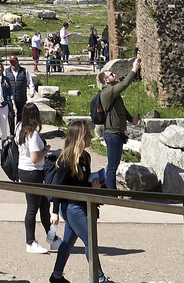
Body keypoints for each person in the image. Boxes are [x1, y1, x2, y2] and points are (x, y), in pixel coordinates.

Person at [47, 120, 111, 283]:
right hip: (70, 206)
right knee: (90, 239)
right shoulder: (65, 159)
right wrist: (54, 212)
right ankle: (100, 279)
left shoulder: (85, 157)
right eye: (88, 134)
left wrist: (95, 185)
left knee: (68, 242)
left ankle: (56, 276)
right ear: (80, 137)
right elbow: (58, 187)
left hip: (80, 204)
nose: (90, 137)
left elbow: (82, 183)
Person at [95, 57, 140, 193]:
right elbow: (125, 84)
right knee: (113, 166)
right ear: (106, 80)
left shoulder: (113, 94)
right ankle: (111, 193)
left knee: (114, 164)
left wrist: (131, 119)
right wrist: (134, 69)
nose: (115, 75)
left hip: (117, 134)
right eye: (112, 74)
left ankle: (110, 190)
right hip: (112, 134)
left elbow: (121, 110)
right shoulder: (108, 92)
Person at [16, 103, 55, 255]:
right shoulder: (33, 134)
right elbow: (34, 158)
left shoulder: (19, 127)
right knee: (33, 207)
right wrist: (45, 151)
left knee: (44, 205)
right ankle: (30, 241)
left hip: (23, 170)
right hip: (33, 172)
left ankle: (51, 237)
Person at [1, 56, 33, 141]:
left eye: (14, 62)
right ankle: (12, 133)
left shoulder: (24, 71)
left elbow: (30, 82)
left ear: (17, 62)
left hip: (21, 97)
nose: (13, 64)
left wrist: (32, 91)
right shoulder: (6, 72)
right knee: (11, 116)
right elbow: (2, 83)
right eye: (11, 62)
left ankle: (18, 133)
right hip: (10, 98)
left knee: (20, 117)